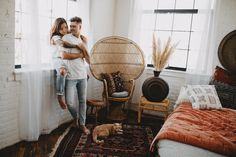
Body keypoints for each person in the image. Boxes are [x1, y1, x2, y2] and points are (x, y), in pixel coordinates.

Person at [61, 16, 90, 134]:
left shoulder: (84, 40)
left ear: (80, 27)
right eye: (71, 26)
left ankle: (82, 125)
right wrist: (80, 54)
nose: (71, 28)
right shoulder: (66, 38)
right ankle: (76, 118)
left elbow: (87, 59)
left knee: (82, 101)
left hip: (82, 76)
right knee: (70, 102)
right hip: (70, 77)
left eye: (74, 26)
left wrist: (83, 48)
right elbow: (64, 55)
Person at [50, 18, 87, 109]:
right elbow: (63, 45)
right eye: (61, 28)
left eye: (66, 27)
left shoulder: (67, 34)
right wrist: (77, 46)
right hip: (57, 59)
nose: (64, 30)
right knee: (62, 71)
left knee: (72, 71)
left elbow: (75, 33)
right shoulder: (55, 37)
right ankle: (60, 95)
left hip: (64, 59)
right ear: (57, 29)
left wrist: (81, 37)